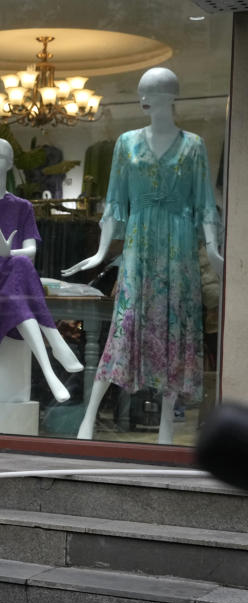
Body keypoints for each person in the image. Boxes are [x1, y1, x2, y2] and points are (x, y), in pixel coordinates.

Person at [62, 67, 222, 444]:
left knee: (174, 329)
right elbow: (116, 202)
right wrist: (101, 252)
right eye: (141, 93)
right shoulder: (126, 143)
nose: (142, 100)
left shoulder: (193, 145)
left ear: (170, 96)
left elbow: (203, 205)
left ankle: (167, 422)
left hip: (180, 249)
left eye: (149, 92)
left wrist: (213, 249)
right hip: (138, 246)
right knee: (126, 324)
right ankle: (89, 415)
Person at [0, 138, 82, 404]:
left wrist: (8, 253)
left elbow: (30, 251)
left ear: (10, 163)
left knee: (19, 266)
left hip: (12, 284)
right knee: (19, 266)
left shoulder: (22, 207)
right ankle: (54, 347)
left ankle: (49, 371)